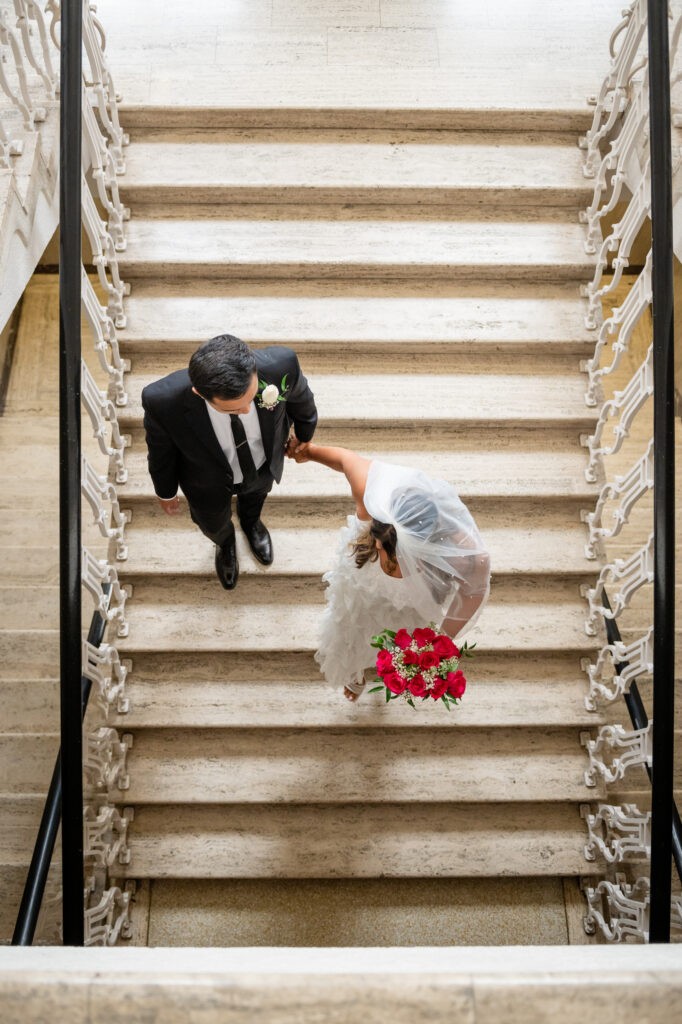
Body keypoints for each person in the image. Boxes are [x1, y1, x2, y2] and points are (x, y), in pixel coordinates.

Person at [289, 443, 491, 701]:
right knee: (352, 626)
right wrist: (307, 452)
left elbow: (473, 592)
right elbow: (345, 459)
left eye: (397, 555)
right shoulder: (367, 497)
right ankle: (355, 670)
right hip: (362, 588)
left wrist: (436, 646)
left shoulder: (464, 556)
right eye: (381, 544)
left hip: (409, 606)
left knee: (397, 634)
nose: (380, 550)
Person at [141, 334, 318, 589]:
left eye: (251, 397)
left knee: (257, 496)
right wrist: (165, 492)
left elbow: (303, 400)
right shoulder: (162, 401)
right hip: (205, 479)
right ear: (199, 394)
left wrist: (304, 435)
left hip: (261, 463)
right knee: (212, 520)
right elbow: (160, 452)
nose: (247, 410)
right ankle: (225, 544)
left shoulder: (282, 365)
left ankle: (251, 524)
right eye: (232, 409)